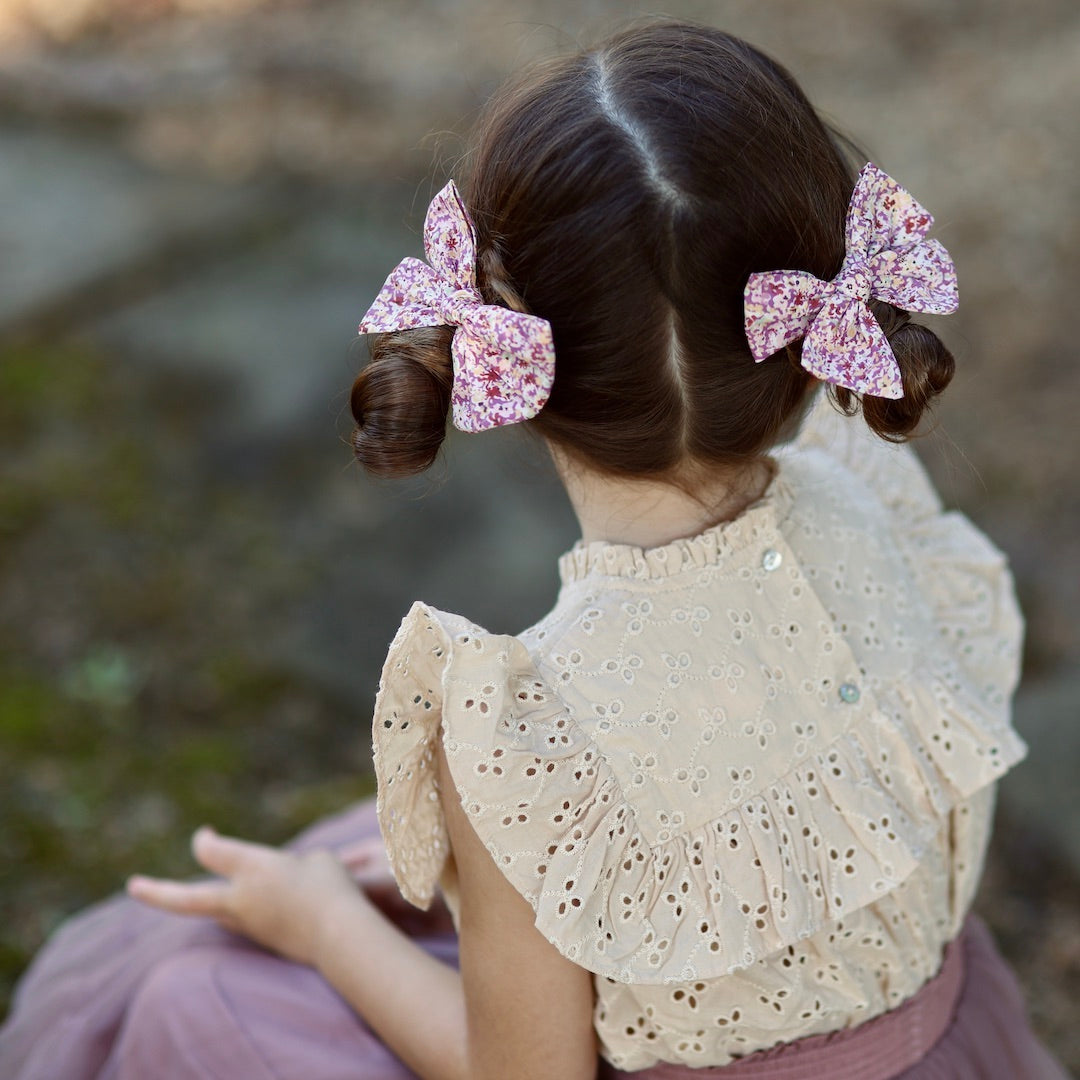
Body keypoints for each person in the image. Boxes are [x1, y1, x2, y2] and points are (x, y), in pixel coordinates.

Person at [0, 19, 1072, 1080]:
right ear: (810, 332)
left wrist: (323, 925)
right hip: (953, 1044)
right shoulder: (885, 510)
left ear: (501, 348)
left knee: (188, 991)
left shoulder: (526, 734)